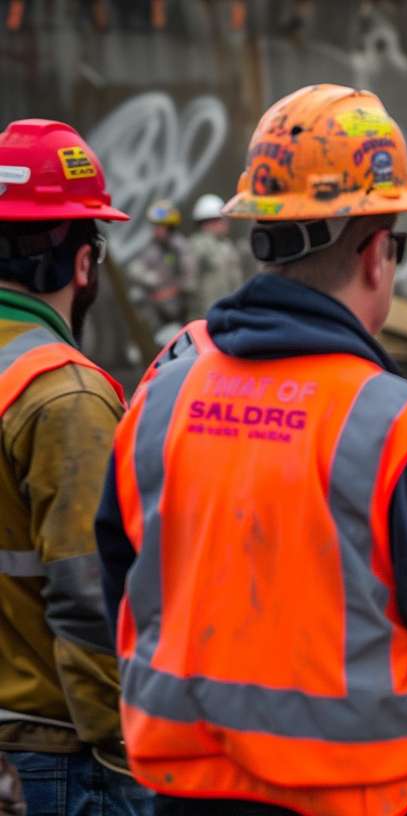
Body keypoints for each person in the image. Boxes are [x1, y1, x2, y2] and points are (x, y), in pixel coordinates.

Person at [93, 84, 407, 816]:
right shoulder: (399, 429)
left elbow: (122, 587)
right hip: (362, 797)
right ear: (379, 254)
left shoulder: (162, 397)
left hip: (187, 793)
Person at [0, 119, 150, 814]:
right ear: (83, 262)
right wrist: (129, 753)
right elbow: (91, 602)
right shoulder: (65, 396)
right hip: (52, 755)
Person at [126, 200, 195, 343]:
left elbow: (189, 280)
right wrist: (148, 278)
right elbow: (134, 269)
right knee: (136, 295)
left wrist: (171, 291)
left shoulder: (181, 247)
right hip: (159, 311)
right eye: (155, 226)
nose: (156, 230)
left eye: (160, 226)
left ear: (170, 227)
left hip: (181, 309)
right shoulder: (151, 248)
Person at [187, 194, 245, 316]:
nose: (227, 223)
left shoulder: (226, 245)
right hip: (209, 314)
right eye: (222, 219)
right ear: (209, 222)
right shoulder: (197, 247)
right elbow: (190, 285)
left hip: (231, 310)